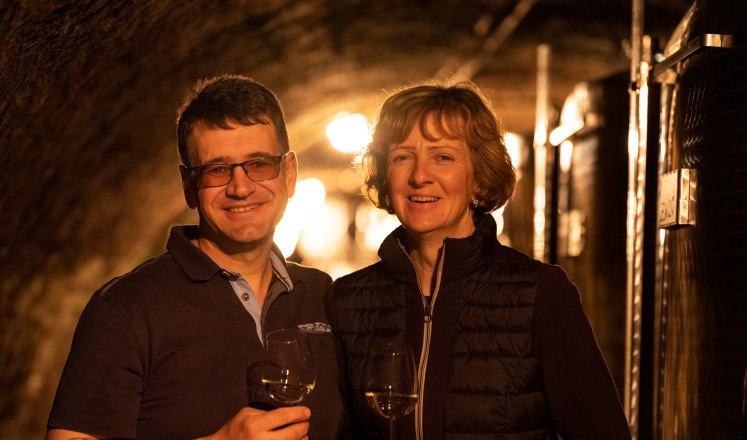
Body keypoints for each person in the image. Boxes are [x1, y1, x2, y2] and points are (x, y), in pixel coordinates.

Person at [326, 80, 631, 439]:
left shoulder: (540, 293)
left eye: (443, 157)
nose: (420, 176)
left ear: (480, 180)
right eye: (402, 156)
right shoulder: (346, 300)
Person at [46, 74, 345, 440]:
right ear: (189, 185)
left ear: (289, 173)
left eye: (259, 164)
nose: (240, 187)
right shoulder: (126, 309)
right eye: (217, 170)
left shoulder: (323, 295)